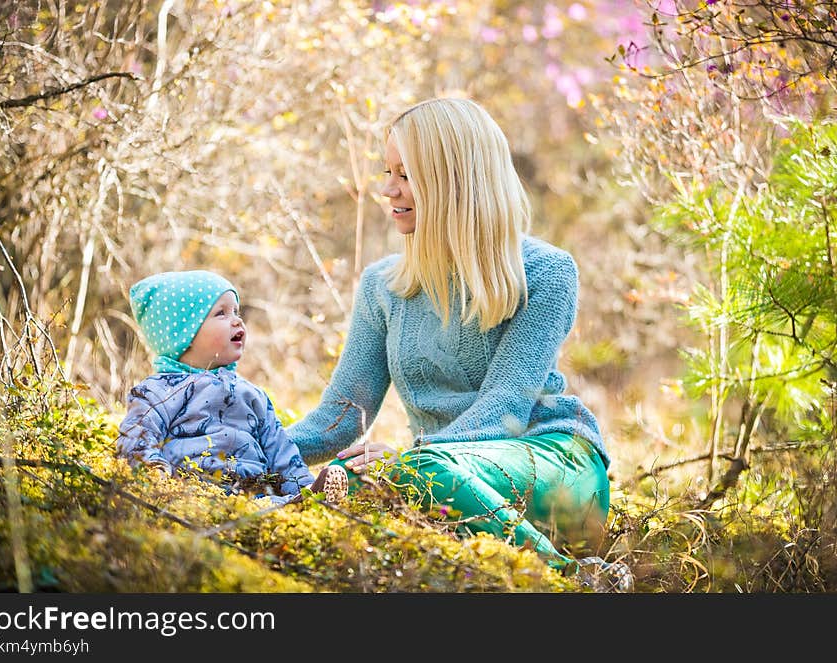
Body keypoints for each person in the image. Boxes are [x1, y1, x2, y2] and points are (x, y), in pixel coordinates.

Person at [287, 97, 633, 591]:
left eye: (405, 175)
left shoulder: (545, 272)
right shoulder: (383, 286)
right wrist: (246, 453)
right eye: (388, 172)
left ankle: (576, 584)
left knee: (413, 472)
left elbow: (504, 408)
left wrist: (406, 462)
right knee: (346, 479)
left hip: (554, 465)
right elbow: (338, 420)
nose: (388, 189)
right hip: (442, 476)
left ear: (453, 179)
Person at [115, 270, 348, 505]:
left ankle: (308, 500)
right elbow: (136, 441)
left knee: (270, 506)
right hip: (190, 493)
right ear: (184, 335)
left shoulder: (252, 395)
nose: (237, 320)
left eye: (236, 311)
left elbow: (282, 453)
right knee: (212, 506)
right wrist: (157, 479)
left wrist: (303, 486)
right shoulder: (158, 392)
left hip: (253, 497)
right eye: (221, 314)